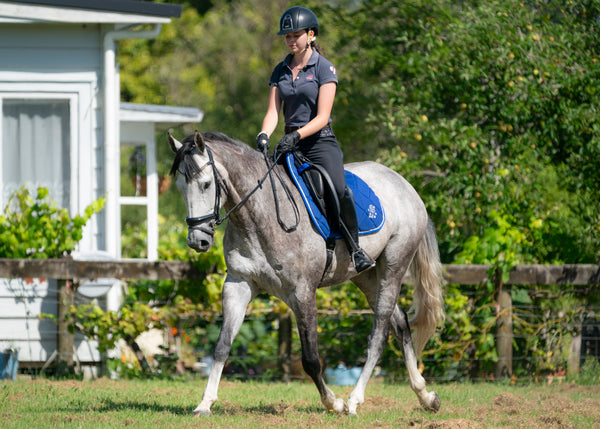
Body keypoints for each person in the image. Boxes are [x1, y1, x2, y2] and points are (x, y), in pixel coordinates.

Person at [256, 6, 375, 273]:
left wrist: (296, 135)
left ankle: (356, 250)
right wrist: (264, 134)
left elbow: (322, 117)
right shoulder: (280, 70)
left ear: (311, 35)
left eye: (295, 35)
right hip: (289, 143)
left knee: (338, 189)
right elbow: (273, 112)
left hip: (320, 142)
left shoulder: (324, 68)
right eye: (286, 36)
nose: (290, 40)